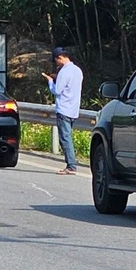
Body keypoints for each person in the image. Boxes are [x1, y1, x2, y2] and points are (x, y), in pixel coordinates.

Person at [41, 47, 83, 175]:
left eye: (56, 61)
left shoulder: (64, 72)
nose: (56, 64)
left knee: (65, 138)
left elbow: (57, 91)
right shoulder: (77, 70)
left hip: (64, 109)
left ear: (60, 58)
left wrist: (50, 81)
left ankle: (71, 166)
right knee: (67, 137)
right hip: (74, 109)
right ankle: (71, 164)